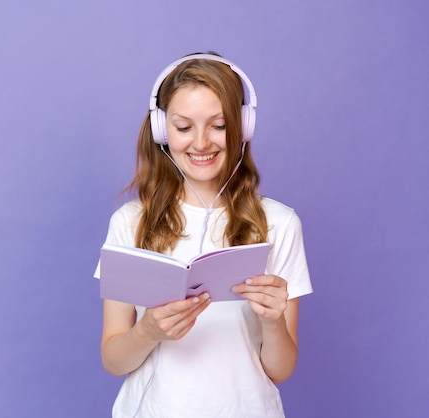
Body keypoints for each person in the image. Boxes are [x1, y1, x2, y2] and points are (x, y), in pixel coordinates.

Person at [96, 52, 313, 417]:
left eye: (218, 125)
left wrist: (273, 321)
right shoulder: (130, 222)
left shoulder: (279, 223)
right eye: (184, 127)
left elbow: (281, 369)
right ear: (163, 132)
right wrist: (148, 330)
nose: (201, 143)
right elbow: (114, 360)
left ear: (243, 127)